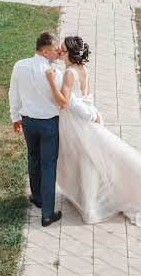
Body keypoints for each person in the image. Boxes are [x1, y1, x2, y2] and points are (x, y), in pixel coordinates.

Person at [45, 35, 141, 230]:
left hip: (78, 123)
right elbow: (86, 96)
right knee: (88, 160)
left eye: (62, 48)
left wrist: (52, 82)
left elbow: (65, 102)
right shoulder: (82, 69)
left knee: (86, 161)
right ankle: (88, 200)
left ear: (69, 52)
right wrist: (93, 113)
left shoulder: (69, 73)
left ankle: (91, 209)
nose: (59, 50)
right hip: (87, 118)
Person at [8, 31, 98, 227]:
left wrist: (15, 118)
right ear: (46, 51)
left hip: (28, 123)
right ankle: (47, 213)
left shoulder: (19, 66)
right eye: (57, 50)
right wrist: (92, 114)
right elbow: (68, 101)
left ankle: (38, 197)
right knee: (48, 165)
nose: (59, 53)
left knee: (33, 157)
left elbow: (13, 93)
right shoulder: (55, 74)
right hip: (49, 125)